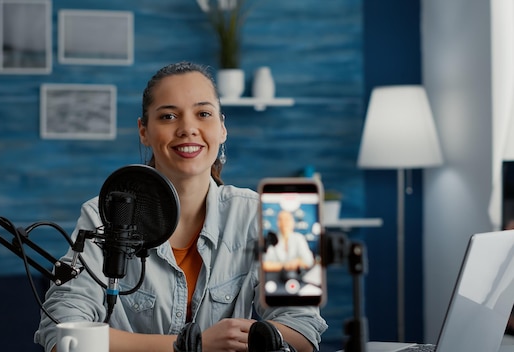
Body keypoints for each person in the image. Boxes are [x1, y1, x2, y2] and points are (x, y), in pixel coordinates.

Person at [34, 61, 327, 352]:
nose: (188, 128)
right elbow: (63, 335)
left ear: (222, 128)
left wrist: (253, 336)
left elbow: (304, 328)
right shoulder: (103, 215)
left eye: (203, 114)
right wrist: (192, 346)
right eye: (169, 116)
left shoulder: (264, 214)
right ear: (144, 131)